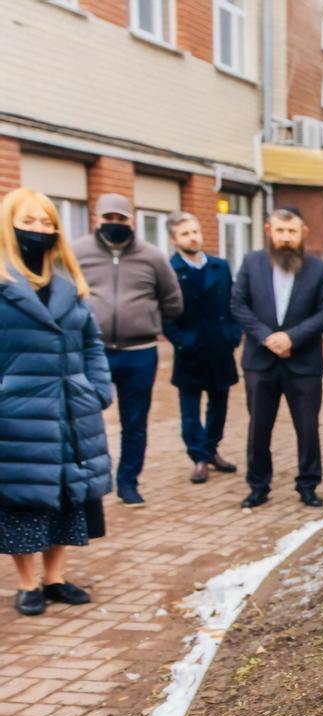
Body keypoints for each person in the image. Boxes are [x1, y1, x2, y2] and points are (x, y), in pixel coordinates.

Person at [0, 188, 114, 616]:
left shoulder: (69, 286)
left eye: (48, 222)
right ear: (9, 226)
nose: (40, 230)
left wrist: (97, 389)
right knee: (23, 499)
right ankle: (27, 582)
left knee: (69, 496)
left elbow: (92, 344)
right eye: (29, 221)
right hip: (19, 416)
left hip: (71, 411)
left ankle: (55, 577)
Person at [72, 194, 183, 507]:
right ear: (97, 219)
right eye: (109, 218)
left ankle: (128, 482)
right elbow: (64, 293)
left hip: (140, 352)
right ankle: (88, 482)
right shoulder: (77, 251)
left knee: (134, 422)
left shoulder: (152, 256)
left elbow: (173, 300)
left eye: (121, 218)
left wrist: (148, 321)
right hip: (93, 352)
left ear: (131, 221)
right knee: (86, 421)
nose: (114, 223)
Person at [231, 208, 323, 509]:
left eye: (292, 231)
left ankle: (308, 485)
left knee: (308, 428)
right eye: (280, 231)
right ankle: (258, 485)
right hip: (260, 361)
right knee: (258, 427)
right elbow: (238, 305)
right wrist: (268, 337)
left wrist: (292, 338)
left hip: (303, 363)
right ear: (269, 231)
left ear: (303, 233)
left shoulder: (319, 268)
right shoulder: (251, 263)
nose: (286, 237)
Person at [162, 212, 241, 484]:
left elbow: (233, 303)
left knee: (219, 406)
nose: (192, 237)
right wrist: (182, 340)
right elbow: (165, 313)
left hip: (220, 348)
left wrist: (234, 334)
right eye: (185, 234)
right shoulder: (170, 271)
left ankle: (211, 449)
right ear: (174, 239)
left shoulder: (220, 266)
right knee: (190, 411)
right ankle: (198, 457)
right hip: (190, 352)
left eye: (195, 231)